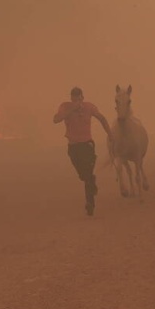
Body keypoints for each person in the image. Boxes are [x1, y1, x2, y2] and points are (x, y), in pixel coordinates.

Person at [53, 87, 113, 216]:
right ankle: (91, 181)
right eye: (74, 99)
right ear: (71, 98)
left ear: (83, 98)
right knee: (83, 175)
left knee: (87, 173)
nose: (77, 102)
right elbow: (56, 119)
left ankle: (90, 203)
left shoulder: (89, 107)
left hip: (87, 145)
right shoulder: (65, 106)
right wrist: (71, 110)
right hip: (73, 147)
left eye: (79, 99)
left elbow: (101, 118)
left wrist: (110, 134)